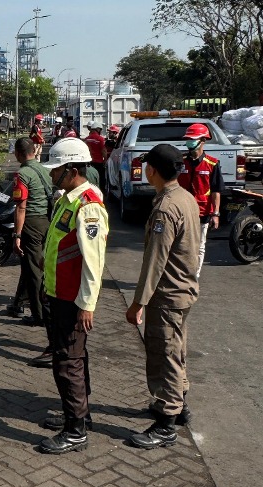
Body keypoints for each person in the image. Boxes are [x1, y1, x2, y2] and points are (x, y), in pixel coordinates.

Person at [125, 144, 200, 449]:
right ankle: (178, 407)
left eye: (146, 165)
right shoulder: (185, 197)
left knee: (165, 355)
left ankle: (166, 423)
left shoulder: (167, 207)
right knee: (176, 350)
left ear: (153, 170)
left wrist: (138, 302)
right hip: (182, 290)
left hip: (168, 294)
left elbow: (155, 261)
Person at [38, 138, 108, 454]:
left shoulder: (88, 206)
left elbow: (94, 260)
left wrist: (87, 305)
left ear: (73, 170)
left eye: (57, 170)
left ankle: (76, 429)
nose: (51, 175)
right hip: (59, 293)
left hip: (73, 299)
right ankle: (80, 414)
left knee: (68, 363)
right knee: (73, 358)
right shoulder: (68, 198)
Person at [10, 138, 53, 365]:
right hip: (47, 222)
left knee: (34, 271)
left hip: (31, 224)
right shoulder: (43, 170)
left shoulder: (22, 174)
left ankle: (40, 315)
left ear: (18, 153)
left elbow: (21, 206)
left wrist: (17, 235)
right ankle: (26, 305)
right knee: (38, 266)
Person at [179, 123, 224, 278]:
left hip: (202, 211)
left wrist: (216, 214)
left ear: (203, 140)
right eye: (188, 139)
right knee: (180, 245)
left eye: (193, 139)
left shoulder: (212, 163)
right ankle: (180, 275)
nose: (189, 142)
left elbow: (216, 191)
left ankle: (194, 277)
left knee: (199, 246)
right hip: (182, 210)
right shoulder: (180, 161)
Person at [83, 121, 107, 188]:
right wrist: (105, 160)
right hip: (98, 163)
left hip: (89, 163)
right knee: (100, 180)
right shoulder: (100, 139)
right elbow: (104, 151)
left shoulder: (86, 139)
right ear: (98, 129)